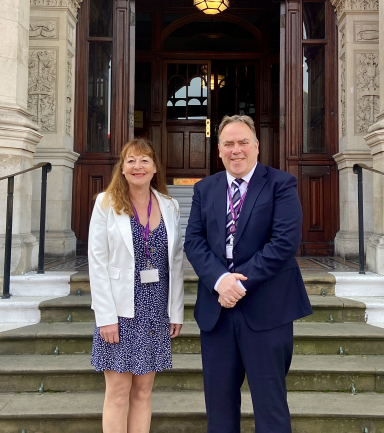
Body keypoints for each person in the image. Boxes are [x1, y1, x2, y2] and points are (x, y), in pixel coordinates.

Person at [184, 115, 312, 433]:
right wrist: (219, 281)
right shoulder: (204, 189)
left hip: (266, 309)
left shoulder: (281, 184)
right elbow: (194, 241)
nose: (236, 150)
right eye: (229, 143)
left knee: (270, 409)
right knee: (220, 409)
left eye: (243, 142)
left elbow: (284, 243)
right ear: (218, 150)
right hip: (217, 312)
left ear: (257, 146)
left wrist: (238, 283)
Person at [87, 138, 184, 433]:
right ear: (123, 167)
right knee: (118, 394)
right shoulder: (106, 203)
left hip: (155, 311)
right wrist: (105, 317)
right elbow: (97, 262)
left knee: (143, 392)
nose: (137, 166)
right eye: (131, 160)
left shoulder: (170, 205)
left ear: (155, 167)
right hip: (119, 312)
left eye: (144, 160)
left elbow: (176, 263)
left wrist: (175, 311)